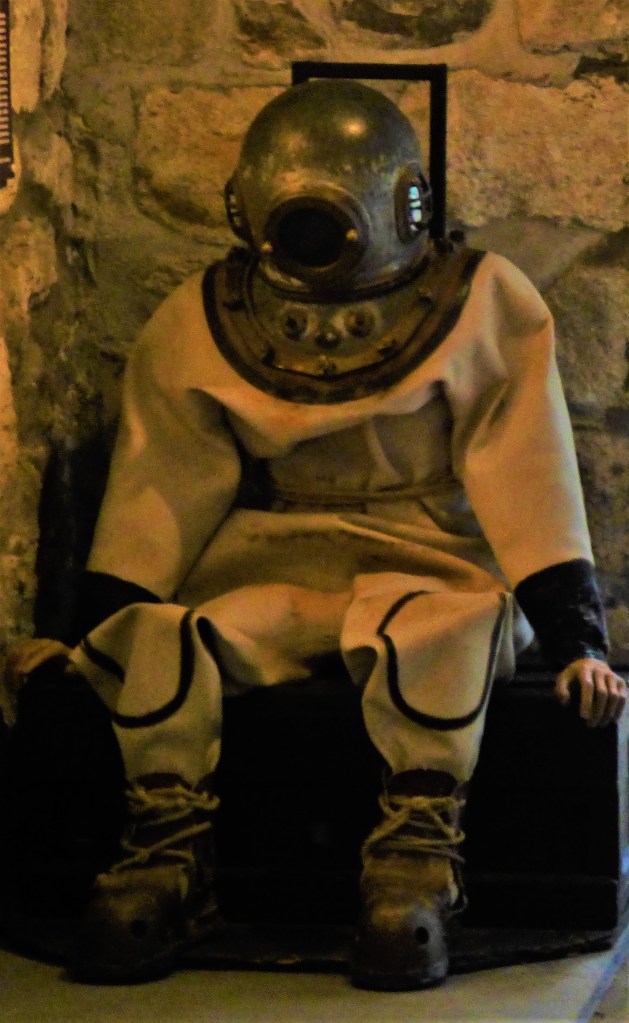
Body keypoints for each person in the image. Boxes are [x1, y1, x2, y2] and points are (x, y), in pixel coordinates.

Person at [5, 79, 626, 989]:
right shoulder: (207, 316)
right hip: (274, 555)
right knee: (161, 637)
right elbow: (160, 485)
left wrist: (577, 642)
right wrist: (88, 629)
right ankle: (168, 849)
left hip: (430, 557)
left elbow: (523, 468)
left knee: (448, 632)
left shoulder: (481, 302)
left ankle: (417, 852)